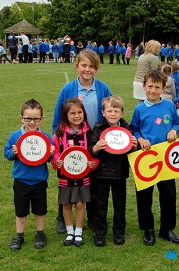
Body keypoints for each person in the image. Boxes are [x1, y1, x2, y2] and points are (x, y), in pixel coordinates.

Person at [52, 50, 112, 233]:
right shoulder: (68, 89)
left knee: (92, 181)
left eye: (91, 66)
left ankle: (93, 218)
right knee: (67, 180)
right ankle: (63, 218)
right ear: (77, 66)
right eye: (84, 65)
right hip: (70, 143)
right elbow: (57, 120)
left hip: (94, 143)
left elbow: (110, 114)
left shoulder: (103, 89)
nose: (87, 69)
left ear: (96, 68)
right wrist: (57, 147)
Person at [130, 70, 179, 246]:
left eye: (157, 87)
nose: (153, 90)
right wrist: (140, 139)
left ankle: (167, 229)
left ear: (163, 88)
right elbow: (134, 129)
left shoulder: (169, 105)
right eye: (149, 86)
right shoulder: (139, 109)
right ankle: (148, 229)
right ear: (144, 86)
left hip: (166, 158)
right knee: (144, 195)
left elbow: (176, 122)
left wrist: (173, 130)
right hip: (146, 158)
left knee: (169, 194)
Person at [4, 99, 55, 250]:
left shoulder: (45, 137)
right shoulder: (15, 136)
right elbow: (6, 153)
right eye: (28, 118)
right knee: (21, 210)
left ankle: (40, 233)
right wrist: (12, 153)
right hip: (21, 180)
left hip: (39, 180)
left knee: (40, 209)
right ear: (22, 118)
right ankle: (19, 235)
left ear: (41, 119)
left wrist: (51, 154)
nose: (32, 122)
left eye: (36, 118)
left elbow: (50, 159)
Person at [89, 96, 138, 246]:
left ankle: (119, 233)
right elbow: (90, 150)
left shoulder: (126, 129)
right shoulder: (97, 128)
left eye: (116, 110)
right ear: (103, 112)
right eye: (109, 110)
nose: (112, 114)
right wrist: (96, 148)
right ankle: (100, 233)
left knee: (119, 205)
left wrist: (134, 146)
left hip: (119, 173)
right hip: (101, 174)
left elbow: (130, 152)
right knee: (100, 204)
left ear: (122, 113)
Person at [51, 98, 96, 247]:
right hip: (65, 176)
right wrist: (56, 162)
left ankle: (78, 232)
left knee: (80, 203)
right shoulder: (59, 133)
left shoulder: (89, 133)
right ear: (65, 115)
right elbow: (55, 153)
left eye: (79, 112)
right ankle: (69, 231)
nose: (77, 116)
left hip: (83, 177)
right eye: (72, 113)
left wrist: (92, 164)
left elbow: (94, 156)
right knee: (66, 204)